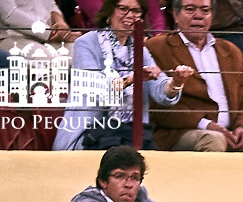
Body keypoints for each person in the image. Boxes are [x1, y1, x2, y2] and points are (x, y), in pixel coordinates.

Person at [146, 0, 243, 152]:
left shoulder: (231, 51)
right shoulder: (157, 47)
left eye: (205, 10)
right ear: (176, 15)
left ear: (212, 15)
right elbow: (157, 106)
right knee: (213, 139)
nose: (198, 16)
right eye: (190, 9)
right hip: (179, 133)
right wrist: (205, 124)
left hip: (230, 134)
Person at [53, 0, 194, 150]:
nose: (129, 15)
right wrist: (133, 79)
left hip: (129, 135)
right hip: (88, 136)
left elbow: (160, 90)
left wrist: (175, 83)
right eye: (123, 9)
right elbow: (94, 90)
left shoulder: (139, 49)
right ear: (109, 12)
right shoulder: (86, 43)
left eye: (135, 11)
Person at [0, 0, 81, 48]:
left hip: (48, 36)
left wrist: (61, 23)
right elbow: (10, 15)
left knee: (79, 53)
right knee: (48, 63)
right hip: (9, 36)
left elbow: (51, 5)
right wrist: (51, 33)